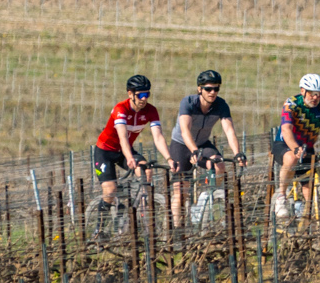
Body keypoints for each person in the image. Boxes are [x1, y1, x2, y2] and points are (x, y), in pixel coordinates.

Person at [170, 68, 243, 225]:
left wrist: (237, 153)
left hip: (203, 143)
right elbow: (185, 131)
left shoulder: (220, 105)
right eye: (208, 89)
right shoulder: (188, 103)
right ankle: (176, 230)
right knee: (180, 190)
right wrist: (193, 151)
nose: (212, 92)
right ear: (199, 89)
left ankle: (205, 200)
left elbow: (229, 130)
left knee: (219, 164)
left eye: (216, 88)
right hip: (182, 144)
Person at [92, 75, 169, 204]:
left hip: (124, 150)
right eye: (140, 95)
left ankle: (143, 210)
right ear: (130, 94)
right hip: (105, 152)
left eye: (147, 94)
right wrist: (129, 158)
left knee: (147, 172)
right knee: (110, 190)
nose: (144, 98)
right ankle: (100, 222)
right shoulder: (121, 109)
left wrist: (169, 159)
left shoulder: (151, 110)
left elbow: (158, 137)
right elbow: (122, 137)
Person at [272, 73, 320, 200]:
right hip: (285, 143)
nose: (315, 97)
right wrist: (295, 148)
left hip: (307, 147)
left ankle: (309, 215)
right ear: (303, 91)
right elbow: (286, 128)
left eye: (319, 94)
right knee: (291, 158)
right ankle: (281, 196)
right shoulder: (292, 104)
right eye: (312, 93)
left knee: (309, 187)